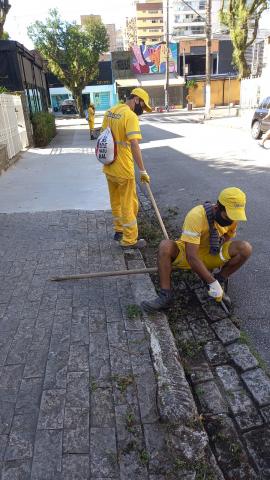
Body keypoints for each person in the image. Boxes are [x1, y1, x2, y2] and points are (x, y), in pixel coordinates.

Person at [141, 187, 252, 312]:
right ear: (217, 207)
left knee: (245, 248)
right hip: (189, 254)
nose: (231, 220)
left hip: (211, 252)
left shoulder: (232, 218)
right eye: (228, 216)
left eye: (233, 217)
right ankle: (166, 296)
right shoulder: (196, 216)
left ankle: (219, 279)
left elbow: (227, 237)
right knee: (165, 246)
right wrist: (211, 282)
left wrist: (219, 260)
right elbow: (192, 256)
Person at [101, 88, 152, 249]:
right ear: (136, 99)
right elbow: (134, 144)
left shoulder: (110, 111)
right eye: (143, 106)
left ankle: (119, 230)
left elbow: (103, 136)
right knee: (129, 204)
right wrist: (142, 170)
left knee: (115, 201)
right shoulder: (129, 116)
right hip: (123, 169)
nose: (142, 110)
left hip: (109, 166)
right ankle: (129, 240)